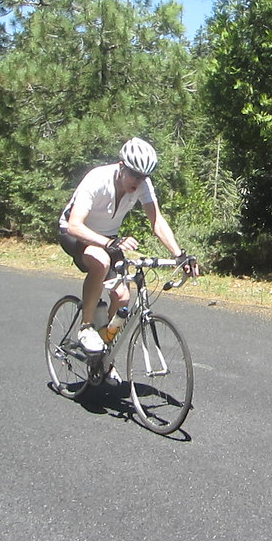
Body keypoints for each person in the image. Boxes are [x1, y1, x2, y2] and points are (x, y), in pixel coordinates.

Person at [58, 138, 197, 381]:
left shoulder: (143, 185)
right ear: (121, 166)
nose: (138, 180)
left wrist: (180, 255)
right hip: (75, 234)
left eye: (143, 176)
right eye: (134, 173)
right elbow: (74, 225)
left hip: (108, 238)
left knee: (122, 297)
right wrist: (109, 243)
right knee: (100, 261)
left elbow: (157, 222)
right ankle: (86, 327)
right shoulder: (97, 179)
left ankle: (103, 354)